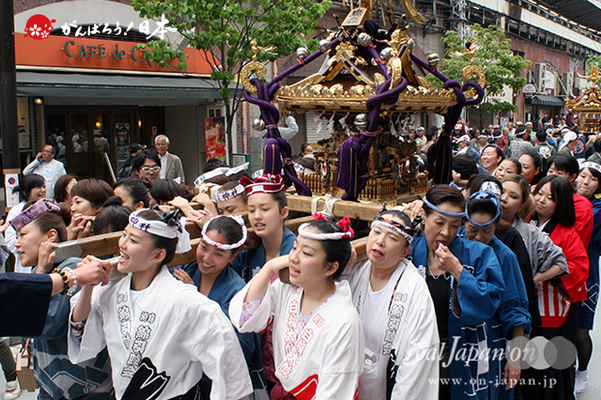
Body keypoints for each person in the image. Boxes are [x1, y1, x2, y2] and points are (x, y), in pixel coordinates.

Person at [69, 208, 253, 399]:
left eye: (133, 240)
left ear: (158, 255)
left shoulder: (188, 301)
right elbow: (80, 332)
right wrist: (88, 287)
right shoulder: (109, 289)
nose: (122, 244)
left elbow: (230, 369)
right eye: (124, 235)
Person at [230, 216, 363, 399]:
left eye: (306, 253)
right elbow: (246, 318)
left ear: (330, 268)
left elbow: (335, 390)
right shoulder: (288, 290)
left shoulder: (344, 319)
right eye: (294, 248)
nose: (293, 258)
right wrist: (269, 267)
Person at [409, 185, 504, 400]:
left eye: (454, 226)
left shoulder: (479, 254)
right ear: (424, 217)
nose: (446, 233)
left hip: (460, 350)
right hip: (415, 351)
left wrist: (458, 272)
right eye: (439, 223)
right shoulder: (409, 252)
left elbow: (490, 303)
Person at [11, 199, 113, 400]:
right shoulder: (39, 271)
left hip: (87, 390)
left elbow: (46, 325)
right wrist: (39, 274)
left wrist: (39, 277)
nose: (16, 243)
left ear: (50, 236)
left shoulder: (75, 269)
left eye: (22, 234)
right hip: (52, 389)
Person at [343, 210, 439, 400]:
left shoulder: (414, 289)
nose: (380, 241)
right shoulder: (355, 269)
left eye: (392, 238)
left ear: (405, 251)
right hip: (347, 377)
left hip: (387, 385)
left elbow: (417, 359)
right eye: (377, 232)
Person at [173, 215, 268, 399]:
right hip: (182, 378)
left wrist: (193, 299)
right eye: (203, 247)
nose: (206, 258)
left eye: (218, 254)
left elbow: (239, 346)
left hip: (216, 383)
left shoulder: (237, 291)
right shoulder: (184, 270)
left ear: (233, 257)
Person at [460, 191, 531, 398]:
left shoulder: (505, 256)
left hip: (489, 342)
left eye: (487, 231)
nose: (480, 238)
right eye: (473, 229)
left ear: (497, 226)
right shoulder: (452, 247)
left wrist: (515, 359)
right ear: (464, 221)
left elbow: (516, 310)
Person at [573, 161, 601, 393]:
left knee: (582, 329)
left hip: (587, 273)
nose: (585, 182)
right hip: (562, 270)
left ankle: (582, 370)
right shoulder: (565, 199)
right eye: (583, 175)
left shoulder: (598, 208)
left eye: (592, 179)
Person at [5, 174, 47, 273]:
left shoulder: (49, 206)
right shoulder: (16, 211)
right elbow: (10, 240)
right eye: (38, 187)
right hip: (25, 266)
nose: (42, 190)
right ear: (25, 192)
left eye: (44, 186)